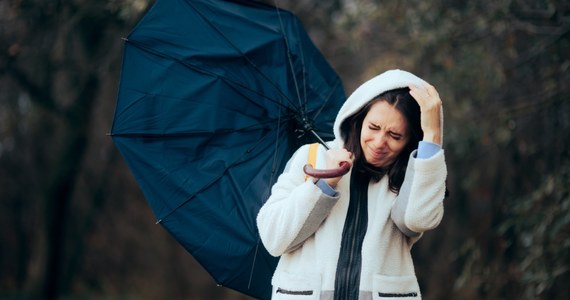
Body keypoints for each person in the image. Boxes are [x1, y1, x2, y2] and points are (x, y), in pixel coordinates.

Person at [256, 69, 447, 299]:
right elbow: (274, 238)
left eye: (394, 136)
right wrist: (324, 183)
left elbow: (418, 219)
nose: (379, 143)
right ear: (359, 119)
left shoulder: (414, 173)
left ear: (409, 140)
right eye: (373, 128)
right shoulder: (311, 157)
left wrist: (433, 136)